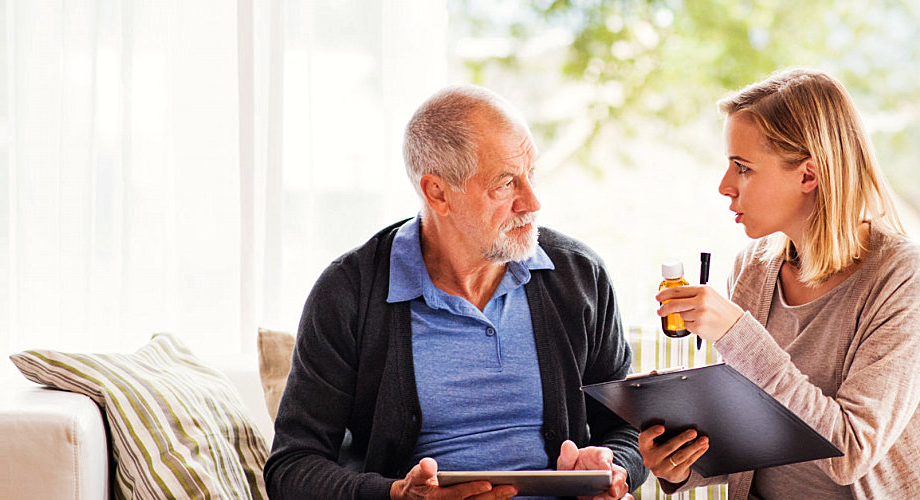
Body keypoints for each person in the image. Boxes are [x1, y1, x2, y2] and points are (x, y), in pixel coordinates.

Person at [265, 85, 646, 500]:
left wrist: (615, 467)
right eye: (505, 184)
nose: (532, 202)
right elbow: (292, 467)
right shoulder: (349, 293)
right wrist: (395, 495)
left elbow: (627, 429)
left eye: (531, 174)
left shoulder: (579, 275)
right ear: (438, 193)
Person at [644, 69, 920, 499]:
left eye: (743, 167)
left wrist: (738, 333)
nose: (725, 186)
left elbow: (848, 451)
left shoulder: (907, 279)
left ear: (808, 176)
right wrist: (682, 465)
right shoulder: (752, 269)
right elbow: (753, 438)